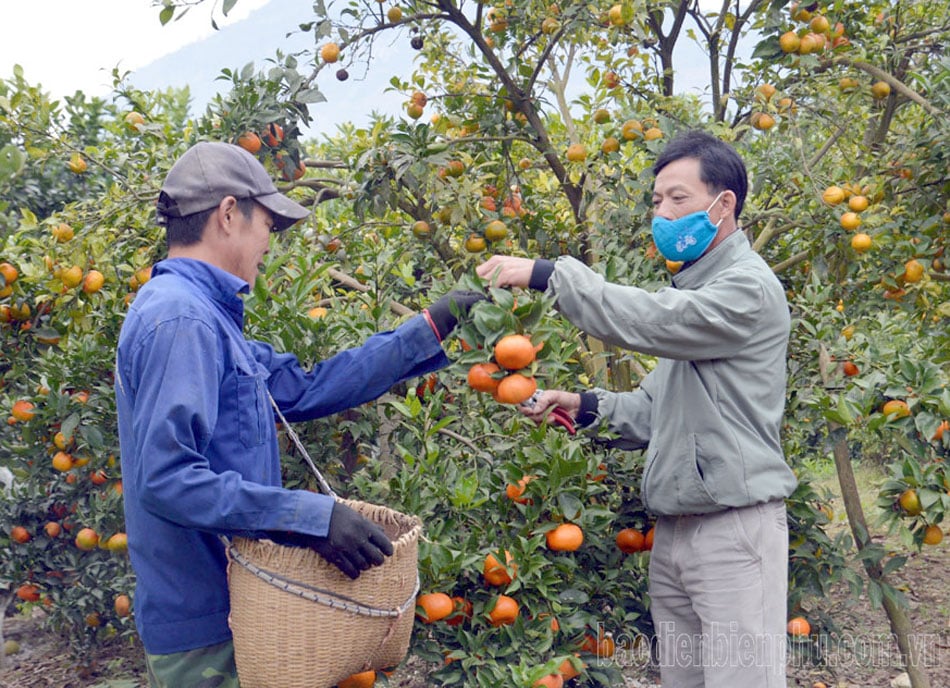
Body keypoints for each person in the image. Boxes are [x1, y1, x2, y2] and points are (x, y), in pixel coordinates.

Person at [115, 141, 482, 687]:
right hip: (208, 628)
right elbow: (166, 481)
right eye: (269, 225)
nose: (270, 243)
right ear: (229, 214)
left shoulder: (208, 320)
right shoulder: (180, 321)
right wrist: (310, 519)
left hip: (244, 608)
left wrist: (431, 325)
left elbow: (310, 386)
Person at [476, 130, 797, 688]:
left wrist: (552, 275)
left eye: (679, 199)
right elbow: (655, 410)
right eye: (657, 202)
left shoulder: (746, 290)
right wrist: (580, 405)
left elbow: (658, 319)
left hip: (733, 531)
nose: (664, 214)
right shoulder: (699, 292)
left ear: (724, 206)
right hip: (675, 532)